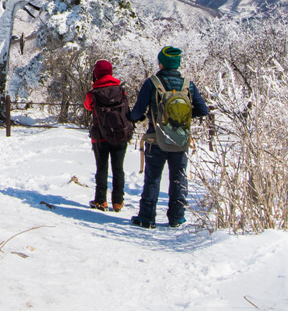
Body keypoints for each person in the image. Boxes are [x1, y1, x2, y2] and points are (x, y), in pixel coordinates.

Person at [128, 45, 209, 228]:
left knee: (153, 178)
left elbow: (137, 112)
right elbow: (203, 110)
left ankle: (147, 217)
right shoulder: (188, 85)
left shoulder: (152, 83)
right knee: (179, 179)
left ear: (161, 63)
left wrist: (137, 117)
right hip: (181, 140)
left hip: (156, 139)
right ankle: (176, 217)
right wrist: (182, 117)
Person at [82, 59, 134, 212]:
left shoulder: (93, 94)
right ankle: (118, 201)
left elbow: (87, 106)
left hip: (100, 136)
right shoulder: (120, 90)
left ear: (96, 74)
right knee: (118, 169)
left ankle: (101, 200)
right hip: (120, 135)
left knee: (102, 168)